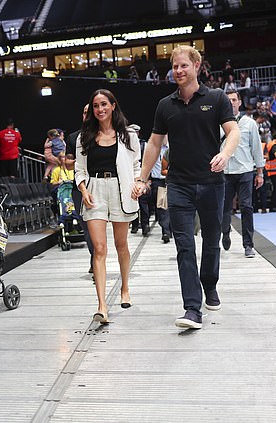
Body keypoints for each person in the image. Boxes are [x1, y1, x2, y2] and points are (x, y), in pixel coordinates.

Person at [133, 45, 240, 330]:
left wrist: (225, 154)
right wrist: (142, 178)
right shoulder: (165, 105)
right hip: (178, 184)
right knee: (184, 246)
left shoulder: (216, 98)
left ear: (196, 66)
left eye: (183, 66)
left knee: (211, 241)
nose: (178, 71)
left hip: (212, 183)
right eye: (175, 67)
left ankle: (210, 284)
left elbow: (233, 132)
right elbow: (154, 144)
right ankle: (192, 308)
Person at [74, 89, 141, 324]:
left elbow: (136, 165)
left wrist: (138, 184)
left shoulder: (128, 135)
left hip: (121, 189)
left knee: (120, 244)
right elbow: (79, 169)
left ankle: (125, 287)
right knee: (99, 249)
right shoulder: (84, 137)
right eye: (95, 106)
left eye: (104, 104)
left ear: (113, 105)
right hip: (95, 192)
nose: (100, 109)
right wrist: (83, 190)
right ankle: (102, 306)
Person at [221, 91, 265, 258]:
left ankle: (248, 245)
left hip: (245, 170)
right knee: (224, 209)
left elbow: (256, 148)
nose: (231, 103)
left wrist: (260, 172)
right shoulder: (217, 123)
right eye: (228, 100)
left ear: (239, 102)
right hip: (224, 172)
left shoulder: (249, 123)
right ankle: (225, 232)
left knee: (246, 207)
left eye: (234, 100)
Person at [66, 105, 94, 275]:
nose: (87, 115)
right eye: (84, 112)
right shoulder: (73, 137)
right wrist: (83, 160)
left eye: (89, 112)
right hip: (78, 188)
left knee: (96, 226)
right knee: (86, 227)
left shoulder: (104, 135)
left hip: (99, 185)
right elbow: (68, 163)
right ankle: (95, 256)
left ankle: (97, 260)